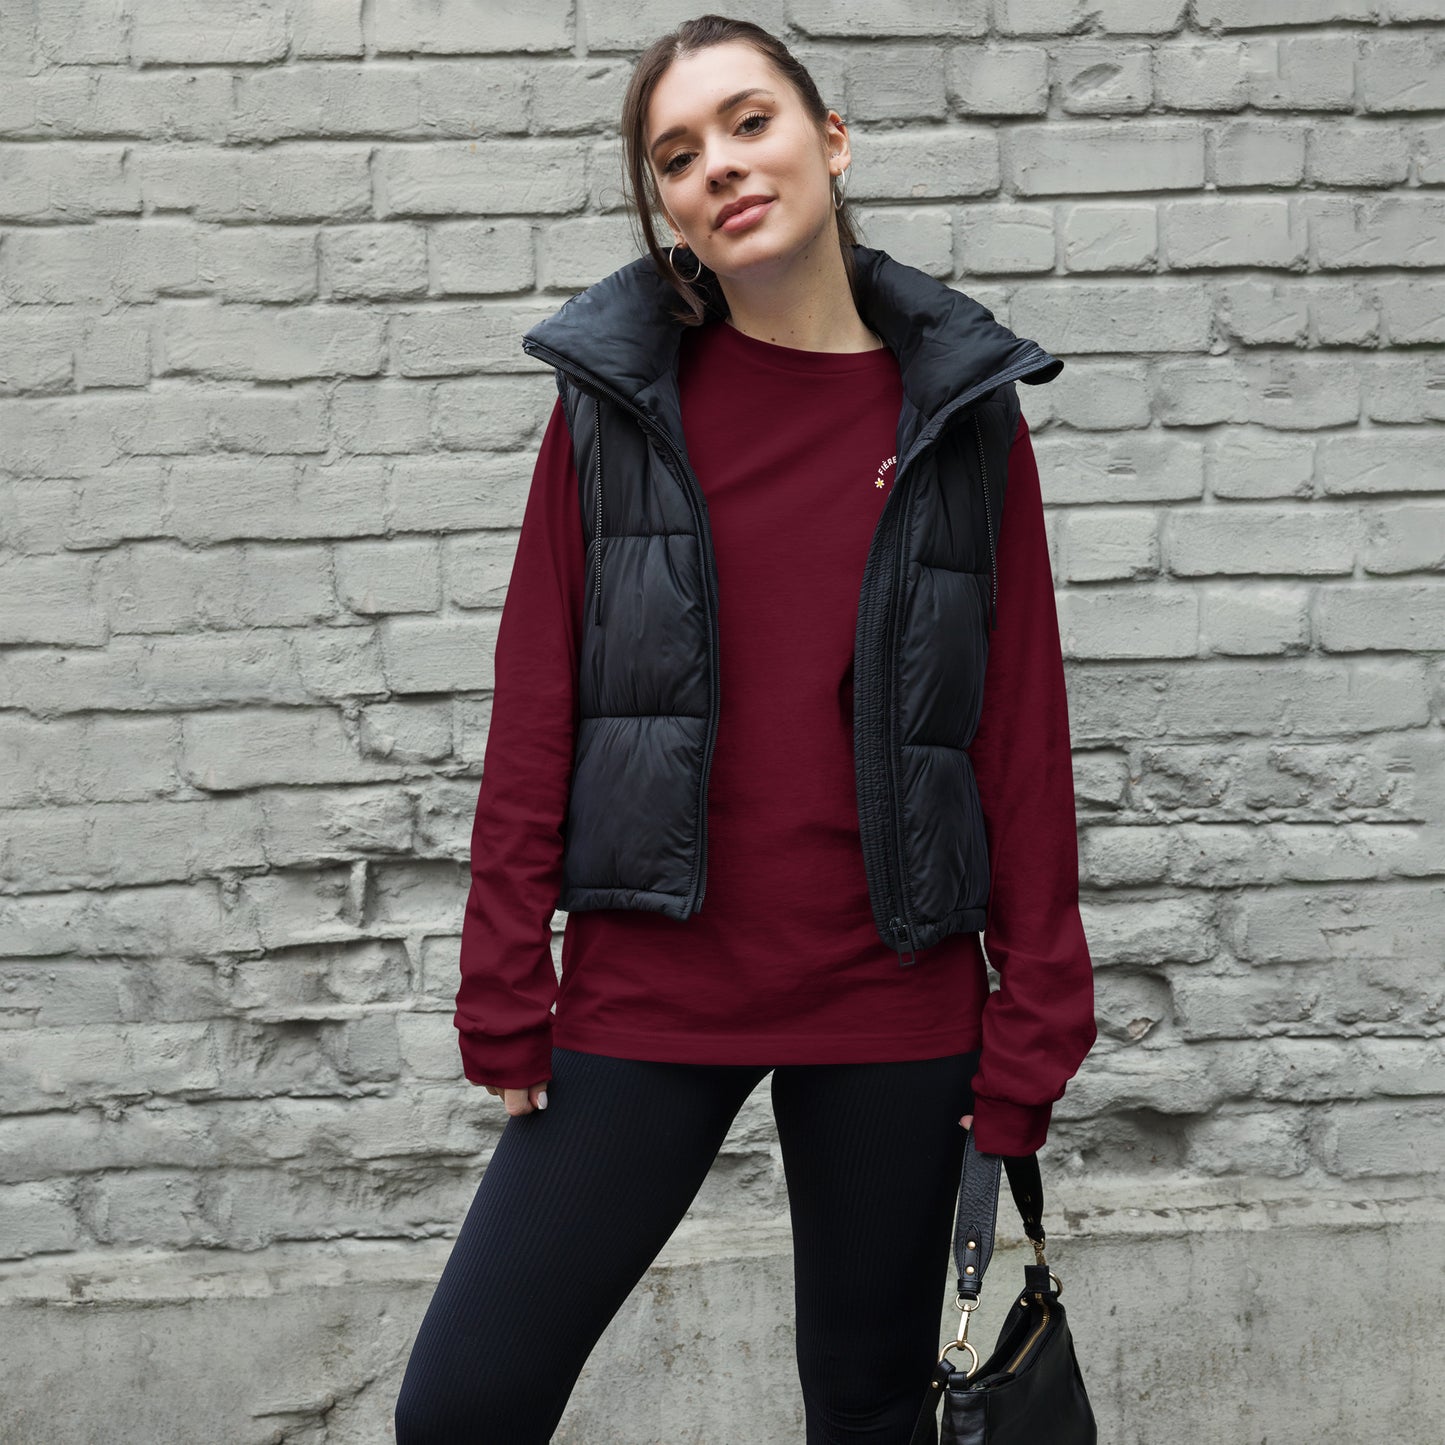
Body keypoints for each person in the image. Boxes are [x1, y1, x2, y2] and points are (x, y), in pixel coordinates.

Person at [394, 14, 1096, 1444]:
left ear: (830, 141)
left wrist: (1037, 1015)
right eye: (676, 155)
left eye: (748, 121)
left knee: (868, 1409)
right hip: (654, 984)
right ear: (665, 208)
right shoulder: (612, 409)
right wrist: (501, 969)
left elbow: (1019, 731)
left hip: (891, 991)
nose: (717, 164)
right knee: (462, 1407)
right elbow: (538, 698)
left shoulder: (962, 416)